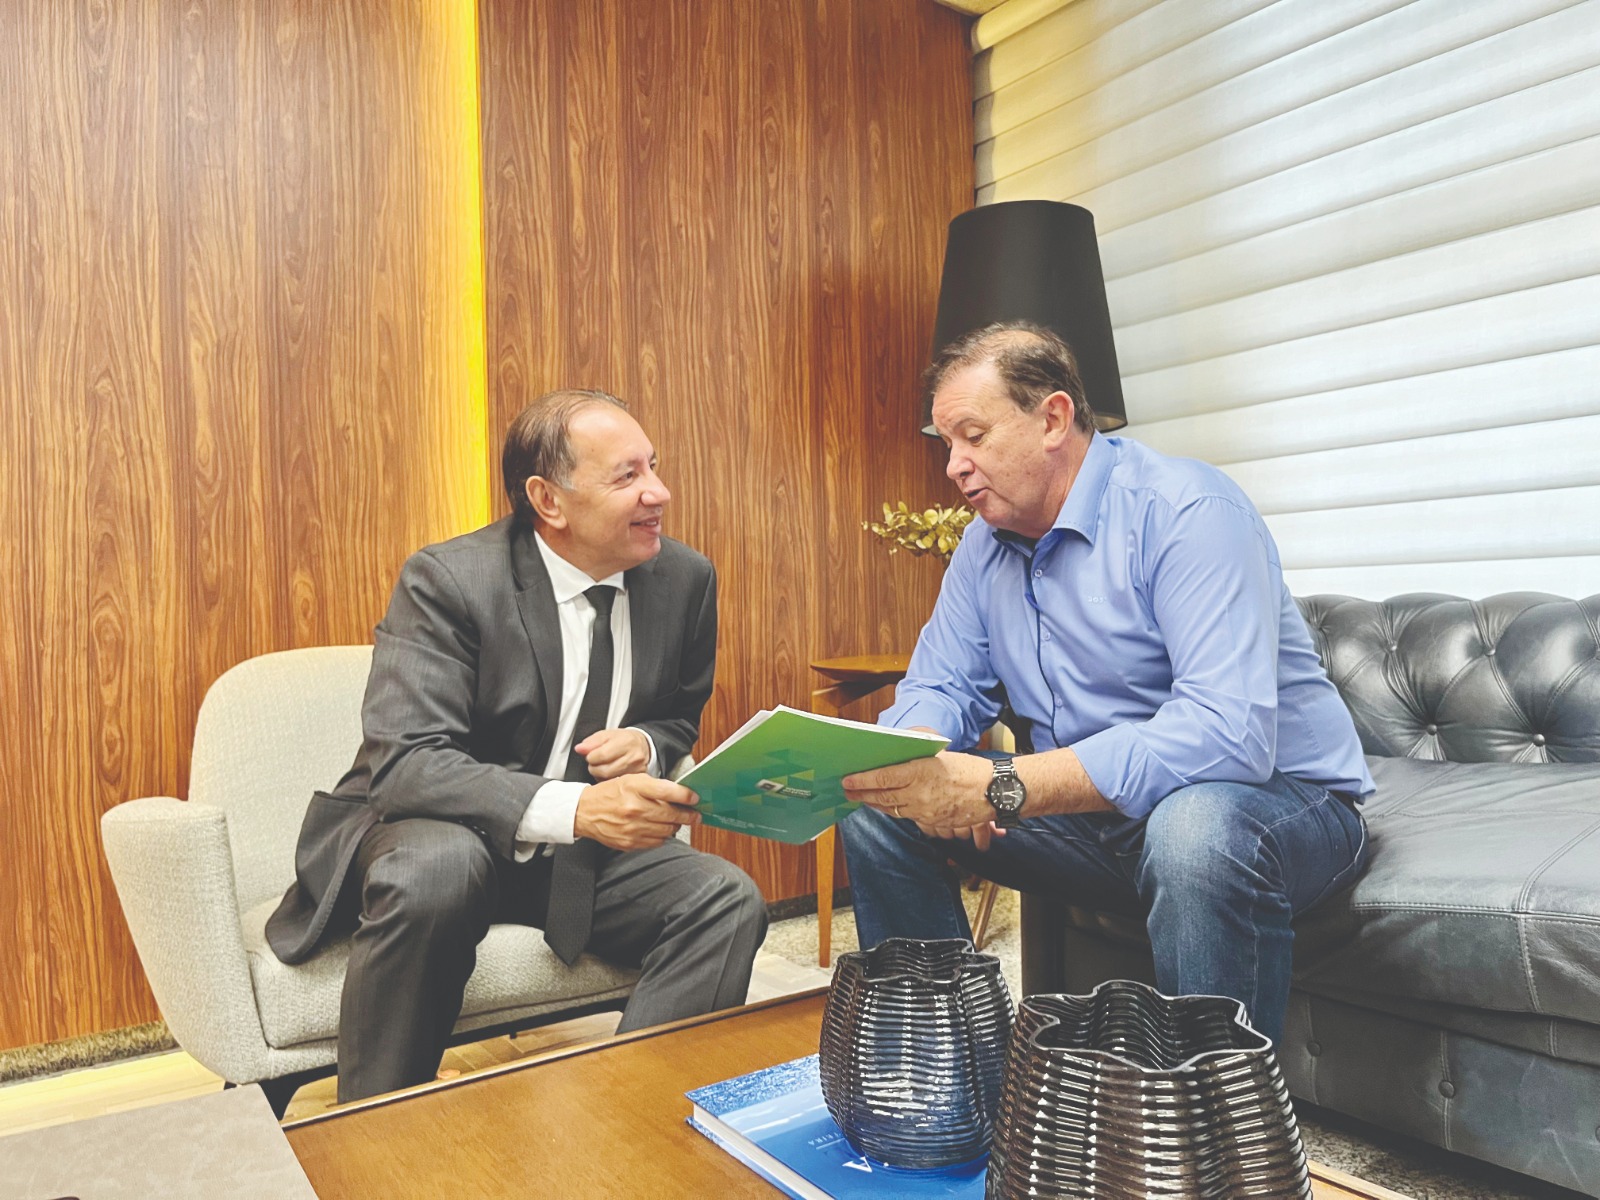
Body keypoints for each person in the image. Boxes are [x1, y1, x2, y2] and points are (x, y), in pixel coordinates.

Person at [839, 322, 1371, 1043]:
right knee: (880, 806)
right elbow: (943, 684)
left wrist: (1003, 785)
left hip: (1278, 804)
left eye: (973, 435)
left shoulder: (1188, 511)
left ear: (1053, 418)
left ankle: (1209, 1132)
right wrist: (911, 757)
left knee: (1194, 830)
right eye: (947, 445)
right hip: (1098, 819)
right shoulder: (982, 543)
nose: (953, 467)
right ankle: (958, 1080)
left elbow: (1227, 736)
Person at [267, 388, 767, 1102]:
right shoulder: (449, 580)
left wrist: (648, 746)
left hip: (576, 860)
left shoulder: (684, 579)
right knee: (441, 867)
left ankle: (636, 1127)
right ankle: (372, 1130)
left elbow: (678, 713)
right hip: (438, 831)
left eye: (653, 466)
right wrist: (580, 810)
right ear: (549, 500)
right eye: (627, 476)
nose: (660, 492)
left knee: (725, 898)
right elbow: (406, 763)